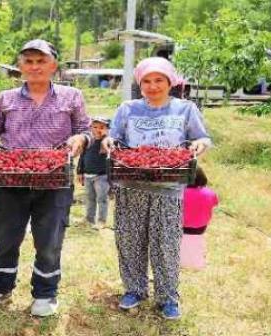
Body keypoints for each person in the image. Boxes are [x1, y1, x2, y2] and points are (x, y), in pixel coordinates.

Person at [0, 39, 90, 317]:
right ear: (20, 66)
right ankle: (0, 288)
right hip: (10, 179)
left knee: (49, 241)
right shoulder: (6, 99)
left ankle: (45, 293)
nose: (35, 66)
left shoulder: (71, 96)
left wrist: (79, 139)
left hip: (54, 180)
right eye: (29, 61)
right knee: (5, 237)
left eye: (41, 61)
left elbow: (85, 129)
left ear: (54, 65)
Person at [101, 57, 211, 320]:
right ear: (140, 84)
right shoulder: (128, 109)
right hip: (131, 184)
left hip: (168, 186)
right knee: (130, 240)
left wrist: (199, 146)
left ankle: (168, 297)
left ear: (170, 82)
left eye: (159, 80)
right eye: (146, 81)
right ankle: (134, 290)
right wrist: (108, 142)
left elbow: (202, 137)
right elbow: (114, 137)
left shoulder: (184, 109)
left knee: (166, 244)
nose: (152, 86)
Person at [180, 167, 218, 269]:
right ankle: (196, 258)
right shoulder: (210, 193)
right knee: (196, 241)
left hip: (181, 226)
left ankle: (181, 258)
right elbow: (214, 203)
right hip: (201, 227)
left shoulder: (179, 193)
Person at [77, 117, 111, 229]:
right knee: (89, 197)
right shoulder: (88, 141)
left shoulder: (106, 142)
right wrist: (80, 171)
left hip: (101, 175)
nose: (97, 130)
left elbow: (112, 154)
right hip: (87, 175)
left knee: (102, 198)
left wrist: (107, 141)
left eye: (102, 128)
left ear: (107, 129)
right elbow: (82, 157)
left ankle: (102, 220)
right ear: (90, 128)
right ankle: (89, 218)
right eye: (95, 127)